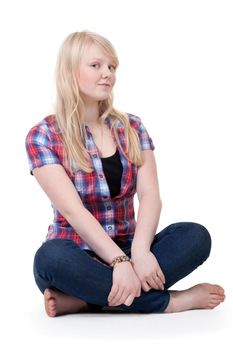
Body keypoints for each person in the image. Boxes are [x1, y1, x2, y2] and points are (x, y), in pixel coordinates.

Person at [25, 30, 225, 317]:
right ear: (70, 71)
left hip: (132, 246)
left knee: (195, 236)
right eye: (96, 65)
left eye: (111, 67)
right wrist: (118, 262)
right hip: (79, 256)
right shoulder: (42, 136)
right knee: (50, 259)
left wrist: (140, 253)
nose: (107, 73)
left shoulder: (132, 126)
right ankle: (170, 302)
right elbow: (73, 212)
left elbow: (150, 195)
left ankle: (86, 301)